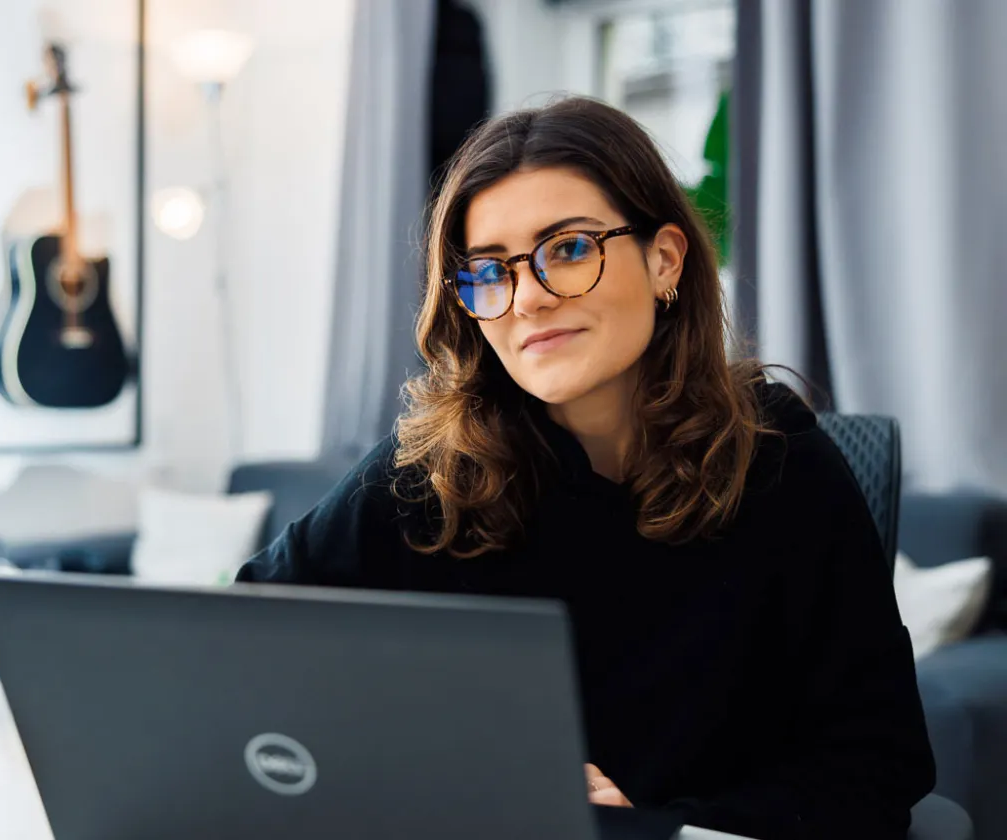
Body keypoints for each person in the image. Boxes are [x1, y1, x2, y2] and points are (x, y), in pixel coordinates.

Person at [237, 97, 934, 840]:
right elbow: (242, 649)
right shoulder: (434, 470)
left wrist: (656, 827)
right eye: (489, 271)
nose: (529, 298)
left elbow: (881, 763)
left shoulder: (776, 457)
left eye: (567, 249)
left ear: (665, 259)